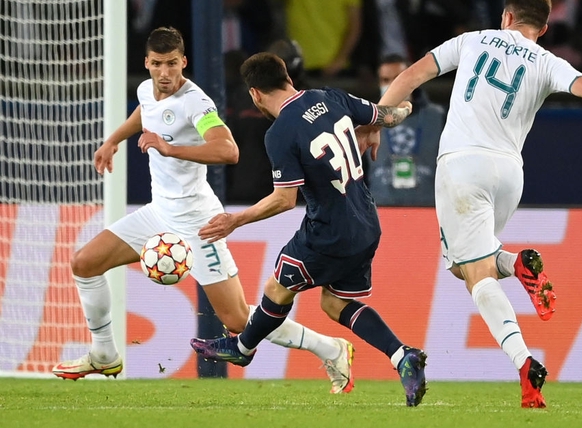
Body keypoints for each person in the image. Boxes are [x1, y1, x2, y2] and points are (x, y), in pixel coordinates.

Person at [369, 0, 582, 408]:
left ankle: (523, 362)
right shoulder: (546, 61)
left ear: (506, 17)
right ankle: (515, 264)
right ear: (541, 28)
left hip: (462, 165)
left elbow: (410, 77)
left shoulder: (471, 41)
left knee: (476, 277)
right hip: (509, 174)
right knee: (466, 267)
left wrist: (375, 122)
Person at [52, 27, 357, 395]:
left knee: (238, 321)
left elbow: (228, 150)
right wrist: (113, 140)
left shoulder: (196, 103)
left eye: (172, 64)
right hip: (157, 214)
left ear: (184, 62)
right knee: (84, 263)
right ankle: (104, 354)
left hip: (198, 223)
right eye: (157, 64)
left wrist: (169, 148)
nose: (165, 73)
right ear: (146, 63)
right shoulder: (147, 88)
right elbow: (145, 111)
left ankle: (331, 348)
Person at [190, 52, 428, 407]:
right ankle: (401, 355)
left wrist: (234, 220)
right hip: (366, 222)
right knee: (335, 303)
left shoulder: (280, 132)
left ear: (255, 94)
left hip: (327, 232)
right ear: (287, 77)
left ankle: (241, 348)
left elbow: (284, 200)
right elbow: (387, 115)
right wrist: (403, 110)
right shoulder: (329, 96)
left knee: (277, 287)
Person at [368, 54, 446, 206]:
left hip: (430, 210)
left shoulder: (440, 117)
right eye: (385, 80)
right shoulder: (367, 120)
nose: (391, 85)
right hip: (380, 211)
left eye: (398, 79)